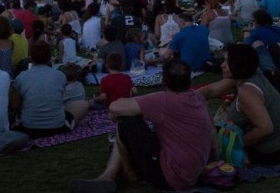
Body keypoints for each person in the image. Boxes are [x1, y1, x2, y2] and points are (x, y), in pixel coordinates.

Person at [70, 60, 213, 193]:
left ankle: (119, 175)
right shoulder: (197, 96)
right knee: (134, 119)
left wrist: (118, 118)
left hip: (172, 179)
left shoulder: (164, 99)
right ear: (189, 79)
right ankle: (117, 171)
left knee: (126, 119)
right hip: (193, 173)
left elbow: (114, 107)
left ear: (163, 80)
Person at [198, 44, 280, 165]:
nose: (222, 65)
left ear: (238, 65)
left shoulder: (247, 92)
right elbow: (211, 90)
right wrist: (184, 98)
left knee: (206, 138)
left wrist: (235, 143)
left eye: (227, 62)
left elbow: (265, 129)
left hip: (278, 150)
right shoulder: (249, 73)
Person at [12, 41, 89, 138]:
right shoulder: (60, 76)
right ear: (49, 57)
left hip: (29, 127)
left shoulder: (21, 77)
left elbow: (15, 106)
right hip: (57, 126)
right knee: (84, 104)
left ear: (30, 57)